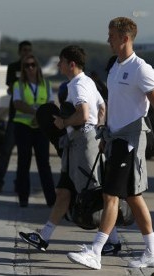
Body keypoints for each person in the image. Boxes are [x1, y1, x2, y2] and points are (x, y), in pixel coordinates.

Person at [67, 17, 154, 270]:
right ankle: (153, 251)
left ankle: (96, 251)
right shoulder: (116, 67)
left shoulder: (141, 69)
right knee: (132, 196)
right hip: (114, 138)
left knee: (111, 195)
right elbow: (114, 107)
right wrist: (105, 137)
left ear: (125, 38)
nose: (107, 39)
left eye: (111, 35)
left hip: (130, 142)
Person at [19, 45, 121, 255]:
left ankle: (114, 240)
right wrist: (98, 130)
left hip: (82, 144)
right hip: (82, 141)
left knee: (93, 193)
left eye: (61, 61)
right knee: (64, 191)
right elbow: (102, 107)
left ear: (71, 64)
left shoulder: (76, 85)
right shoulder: (89, 82)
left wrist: (64, 122)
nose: (59, 65)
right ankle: (44, 237)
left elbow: (83, 114)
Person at [12, 54, 56, 207]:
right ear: (23, 69)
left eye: (32, 65)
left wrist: (40, 117)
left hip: (40, 128)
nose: (30, 68)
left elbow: (51, 105)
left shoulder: (47, 85)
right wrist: (36, 113)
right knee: (24, 163)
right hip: (23, 127)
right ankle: (23, 199)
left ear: (37, 67)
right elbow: (17, 104)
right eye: (26, 66)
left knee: (44, 163)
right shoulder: (19, 85)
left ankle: (51, 200)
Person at [0, 41, 33, 193]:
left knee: (24, 154)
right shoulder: (13, 67)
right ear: (19, 52)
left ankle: (20, 183)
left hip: (28, 118)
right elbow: (11, 88)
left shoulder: (34, 68)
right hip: (14, 116)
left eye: (29, 50)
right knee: (6, 151)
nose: (26, 52)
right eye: (24, 50)